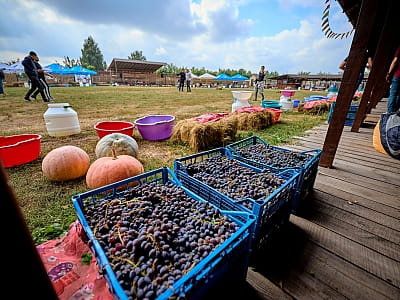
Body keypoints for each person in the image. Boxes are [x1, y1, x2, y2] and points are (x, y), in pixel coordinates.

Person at [385, 45, 400, 113]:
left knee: (393, 94)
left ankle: (390, 112)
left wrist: (389, 73)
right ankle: (395, 111)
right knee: (399, 95)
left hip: (398, 74)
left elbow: (395, 61)